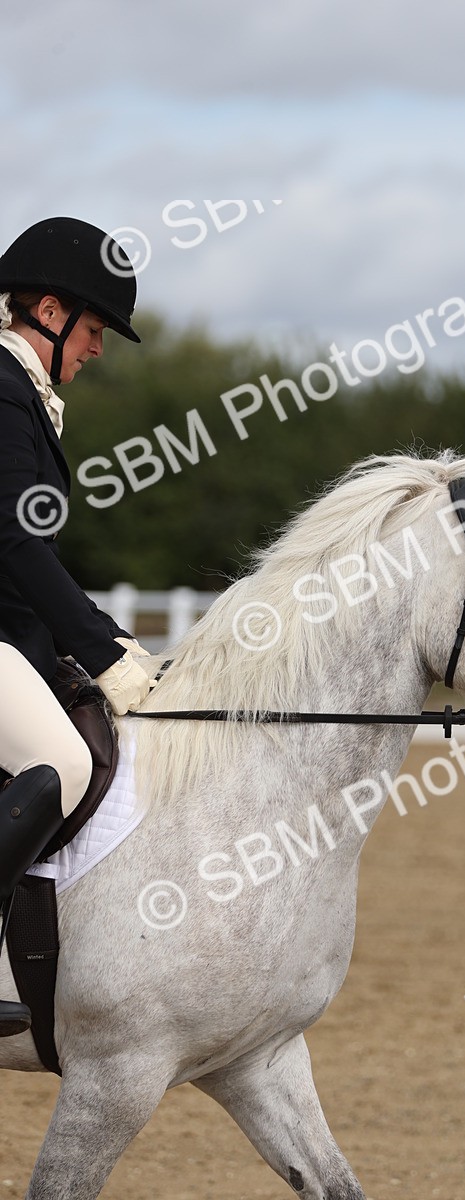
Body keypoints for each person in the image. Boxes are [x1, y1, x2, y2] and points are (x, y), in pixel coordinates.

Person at [0, 217, 153, 1037]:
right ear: (51, 312)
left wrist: (99, 641)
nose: (98, 348)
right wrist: (99, 649)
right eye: (94, 329)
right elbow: (13, 543)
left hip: (10, 638)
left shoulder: (25, 392)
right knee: (57, 757)